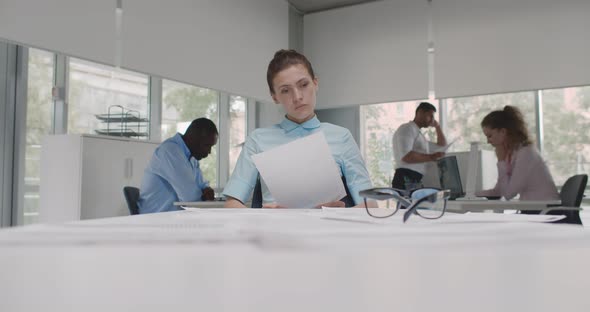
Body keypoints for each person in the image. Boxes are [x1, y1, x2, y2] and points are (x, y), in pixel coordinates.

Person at [222, 49, 375, 208]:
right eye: (285, 90)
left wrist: (338, 214)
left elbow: (370, 205)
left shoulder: (341, 137)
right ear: (274, 96)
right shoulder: (257, 139)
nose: (297, 97)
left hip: (328, 229)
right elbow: (232, 203)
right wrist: (262, 215)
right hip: (274, 230)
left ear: (315, 83)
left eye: (303, 85)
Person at [475, 106, 559, 201]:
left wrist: (501, 161)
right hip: (533, 209)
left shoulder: (526, 153)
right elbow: (499, 190)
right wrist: (470, 194)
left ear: (503, 132)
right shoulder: (513, 153)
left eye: (490, 136)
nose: (488, 141)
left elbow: (508, 194)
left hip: (545, 211)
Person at [137, 118, 218, 213]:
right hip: (155, 220)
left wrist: (206, 189)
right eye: (207, 145)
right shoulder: (170, 151)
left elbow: (202, 187)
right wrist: (202, 194)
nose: (209, 152)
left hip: (172, 219)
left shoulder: (192, 158)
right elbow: (190, 198)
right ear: (194, 138)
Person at [391, 102, 447, 190]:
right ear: (420, 113)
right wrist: (432, 157)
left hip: (414, 179)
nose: (432, 120)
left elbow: (442, 145)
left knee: (417, 204)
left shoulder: (419, 135)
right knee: (409, 204)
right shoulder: (407, 128)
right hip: (406, 177)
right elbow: (406, 156)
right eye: (430, 116)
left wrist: (438, 126)